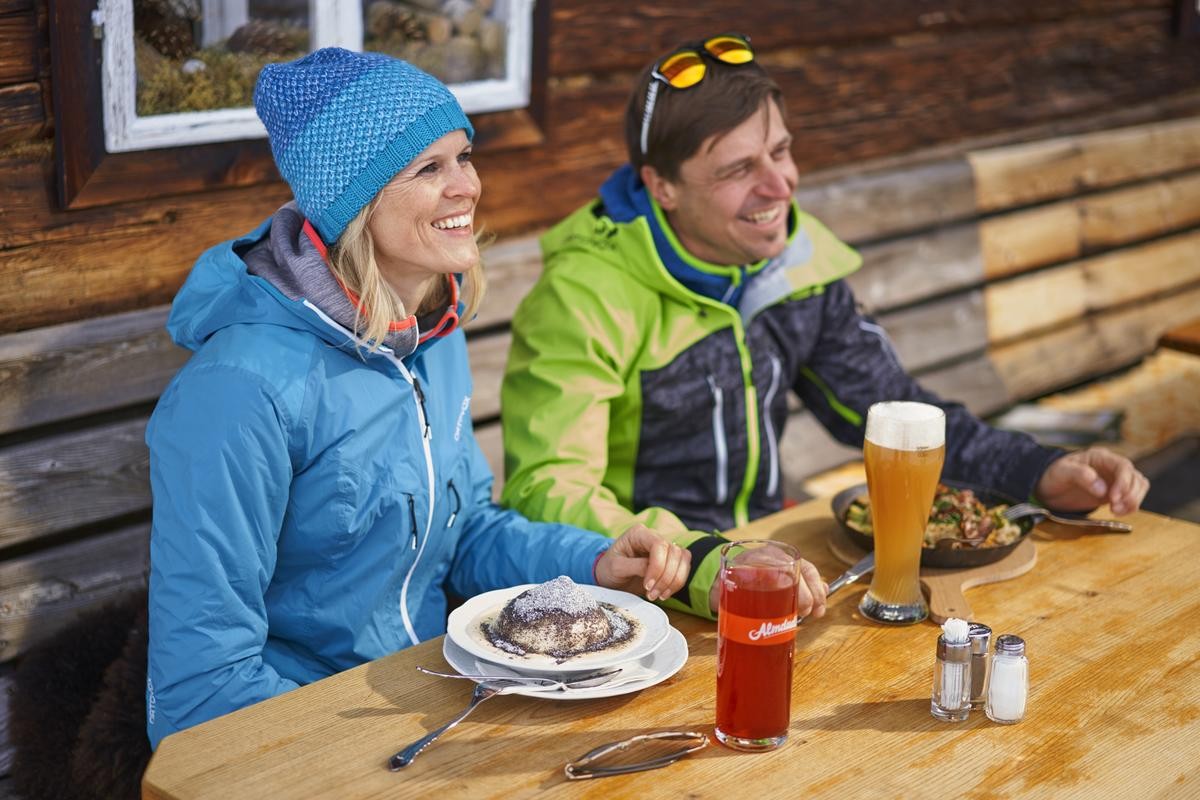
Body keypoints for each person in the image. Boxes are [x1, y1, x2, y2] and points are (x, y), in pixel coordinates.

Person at [499, 33, 1149, 621]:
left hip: (777, 567)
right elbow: (549, 486)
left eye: (780, 151)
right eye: (737, 170)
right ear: (661, 186)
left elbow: (897, 416)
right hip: (637, 601)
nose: (779, 185)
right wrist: (701, 563)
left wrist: (1038, 470)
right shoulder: (582, 295)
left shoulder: (789, 261)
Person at [144, 48, 690, 749]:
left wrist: (594, 563)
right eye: (428, 169)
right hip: (317, 730)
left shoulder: (426, 330)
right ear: (355, 202)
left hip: (439, 695)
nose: (466, 186)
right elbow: (203, 689)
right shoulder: (240, 392)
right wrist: (385, 752)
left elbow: (461, 537)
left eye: (463, 156)